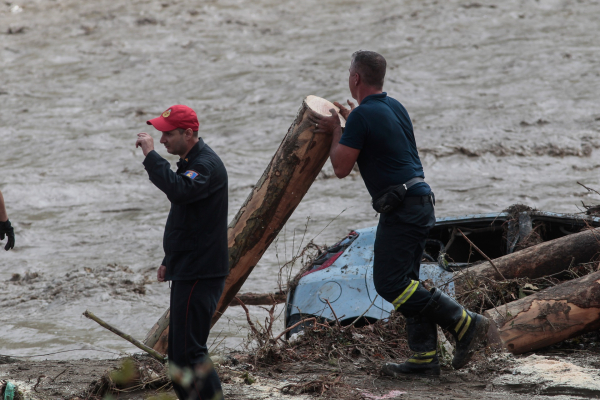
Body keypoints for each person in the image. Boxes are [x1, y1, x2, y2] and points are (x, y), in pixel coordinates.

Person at [310, 51, 489, 377]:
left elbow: (340, 167)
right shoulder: (394, 107)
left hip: (404, 210)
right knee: (407, 283)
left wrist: (336, 130)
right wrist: (348, 124)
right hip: (418, 203)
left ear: (355, 79)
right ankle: (424, 360)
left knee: (390, 283)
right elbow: (378, 138)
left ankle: (466, 323)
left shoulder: (362, 116)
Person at [135, 105, 228, 399]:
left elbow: (179, 191)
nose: (162, 140)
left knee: (192, 352)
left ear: (188, 133)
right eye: (160, 135)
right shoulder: (191, 161)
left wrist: (151, 157)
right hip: (188, 266)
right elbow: (188, 219)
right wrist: (169, 259)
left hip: (201, 271)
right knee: (178, 356)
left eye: (168, 134)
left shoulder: (205, 165)